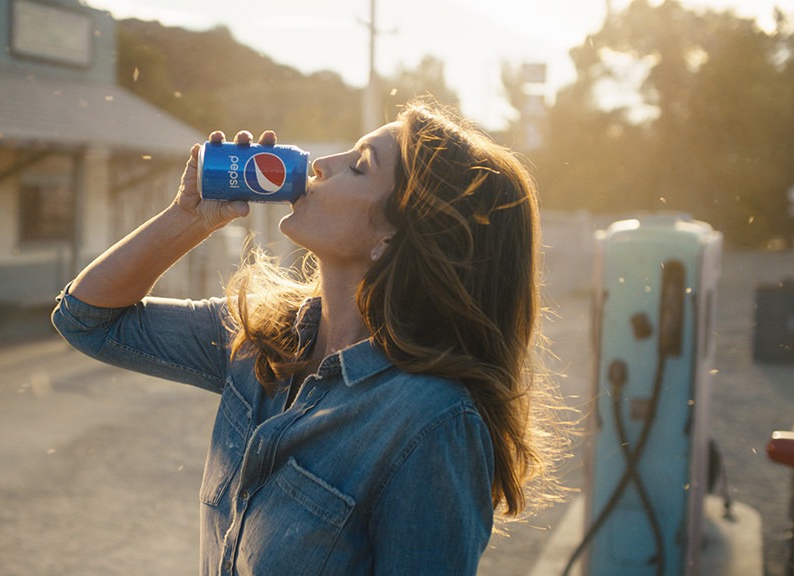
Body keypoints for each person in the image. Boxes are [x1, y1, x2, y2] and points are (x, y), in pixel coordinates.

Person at [52, 97, 568, 575]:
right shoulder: (260, 338)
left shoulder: (430, 423)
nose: (322, 163)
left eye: (359, 165)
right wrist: (187, 218)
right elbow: (87, 320)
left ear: (392, 237)